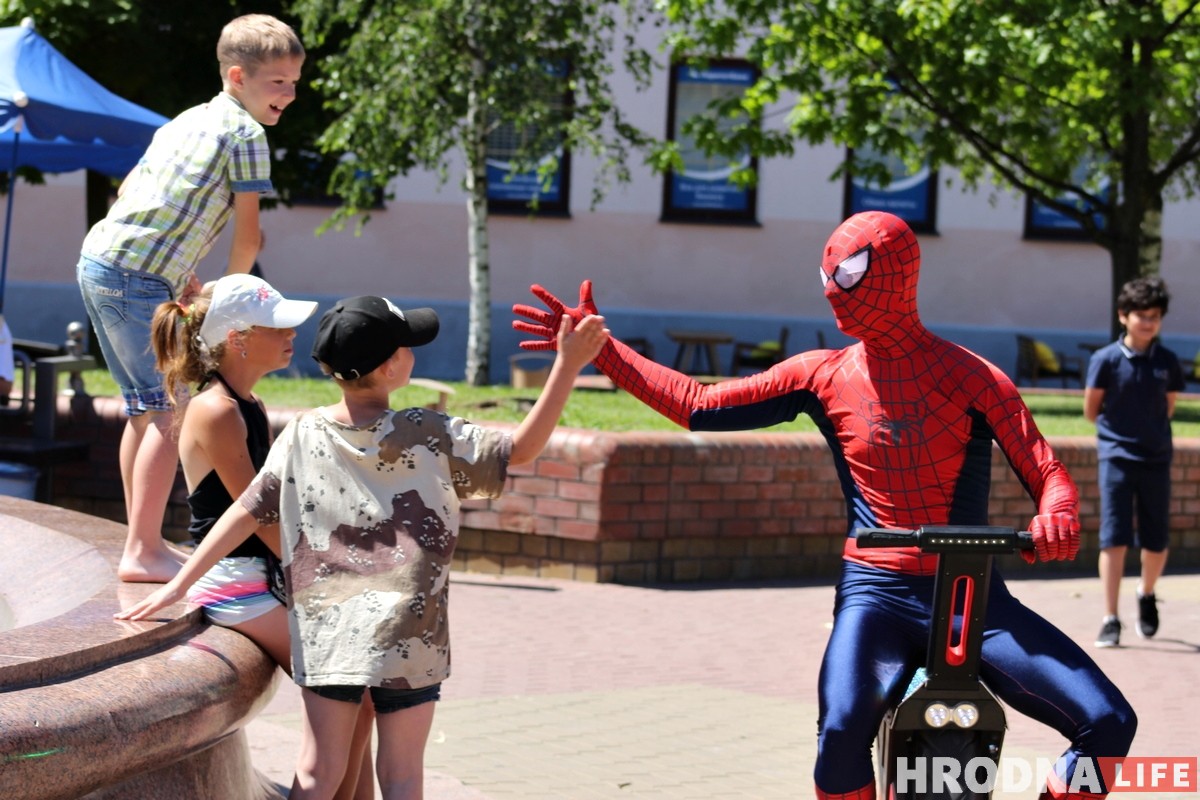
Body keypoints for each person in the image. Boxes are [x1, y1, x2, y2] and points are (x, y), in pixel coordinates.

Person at [513, 211, 1135, 800]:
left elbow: (1047, 469)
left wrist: (1057, 513)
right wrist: (603, 351)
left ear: (898, 276)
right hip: (876, 596)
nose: (833, 291)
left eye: (849, 276)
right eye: (826, 276)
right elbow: (698, 404)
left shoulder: (974, 377)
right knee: (839, 736)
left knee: (1109, 722)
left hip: (971, 600)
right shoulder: (821, 374)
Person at [119, 294, 610, 800]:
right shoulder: (428, 433)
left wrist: (181, 583)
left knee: (316, 774)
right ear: (394, 365)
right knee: (401, 776)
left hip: (328, 631)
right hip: (411, 634)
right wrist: (566, 366)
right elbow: (520, 449)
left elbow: (245, 510)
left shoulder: (303, 432)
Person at [76, 13, 305, 583]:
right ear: (237, 76)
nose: (289, 94)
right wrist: (230, 305)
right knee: (168, 413)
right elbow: (250, 236)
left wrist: (172, 268)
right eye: (277, 82)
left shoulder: (187, 119)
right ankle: (143, 549)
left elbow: (129, 188)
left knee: (142, 408)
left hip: (101, 259)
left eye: (295, 82)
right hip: (137, 276)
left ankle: (141, 541)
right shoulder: (248, 135)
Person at [149, 273, 374, 800]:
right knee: (348, 696)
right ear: (238, 339)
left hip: (260, 574)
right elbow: (257, 515)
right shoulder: (217, 410)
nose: (291, 333)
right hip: (234, 584)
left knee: (361, 699)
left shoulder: (246, 403)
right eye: (277, 326)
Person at [1084, 276, 1185, 648]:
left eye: (1155, 316)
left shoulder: (1167, 362)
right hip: (1116, 458)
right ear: (1123, 316)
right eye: (1141, 315)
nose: (1148, 322)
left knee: (1156, 539)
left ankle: (1146, 593)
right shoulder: (1105, 360)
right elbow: (1092, 410)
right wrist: (1119, 438)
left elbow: (1167, 408)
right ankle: (1111, 618)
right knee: (1114, 537)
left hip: (1156, 458)